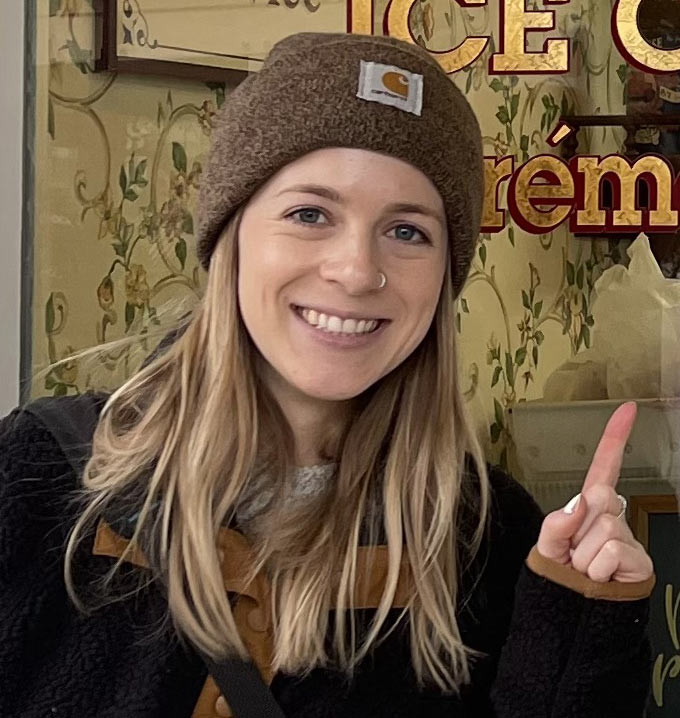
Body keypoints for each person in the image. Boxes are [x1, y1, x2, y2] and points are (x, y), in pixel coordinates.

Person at [0, 32, 655, 718]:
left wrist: (581, 624)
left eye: (408, 231)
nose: (356, 270)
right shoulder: (41, 479)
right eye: (309, 214)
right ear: (232, 234)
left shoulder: (486, 542)